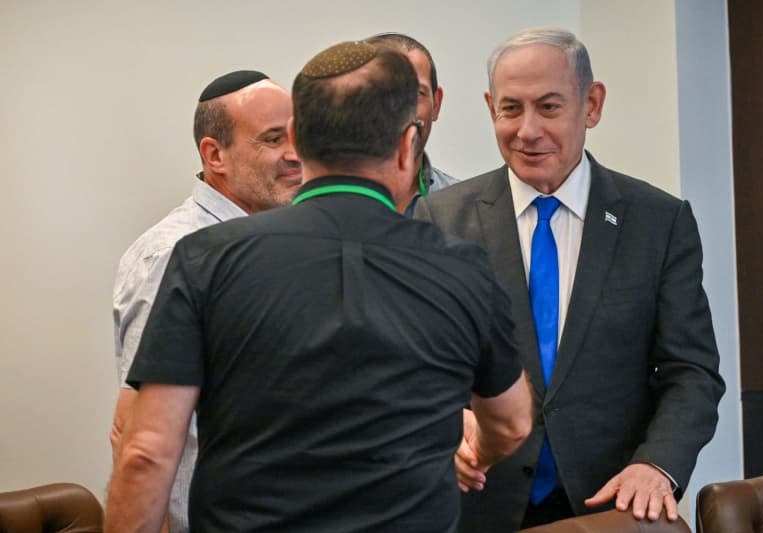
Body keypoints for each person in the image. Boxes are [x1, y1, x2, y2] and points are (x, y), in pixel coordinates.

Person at [104, 40, 533, 533]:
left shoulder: (205, 259)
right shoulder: (461, 267)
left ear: (296, 137)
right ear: (405, 146)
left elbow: (145, 452)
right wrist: (479, 449)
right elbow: (513, 423)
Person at [415, 27, 725, 531]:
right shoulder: (439, 219)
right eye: (510, 109)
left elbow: (691, 372)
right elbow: (418, 365)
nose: (527, 130)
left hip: (610, 506)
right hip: (479, 503)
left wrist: (657, 465)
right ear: (490, 106)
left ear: (592, 105)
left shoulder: (657, 221)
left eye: (550, 107)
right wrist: (448, 423)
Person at [109, 69, 301, 533]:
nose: (296, 155)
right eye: (274, 139)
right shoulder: (173, 256)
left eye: (299, 135)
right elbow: (136, 438)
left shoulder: (281, 240)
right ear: (215, 155)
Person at [365, 32, 459, 214]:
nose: (400, 110)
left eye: (416, 93)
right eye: (383, 93)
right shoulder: (319, 208)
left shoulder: (465, 208)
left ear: (436, 104)